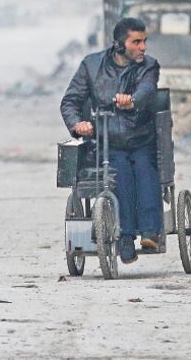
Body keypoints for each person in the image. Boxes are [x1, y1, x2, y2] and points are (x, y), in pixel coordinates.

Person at [60, 17, 162, 264]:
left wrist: (133, 100)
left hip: (140, 138)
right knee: (120, 176)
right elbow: (70, 102)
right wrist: (77, 124)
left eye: (144, 41)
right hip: (107, 142)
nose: (143, 47)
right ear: (119, 44)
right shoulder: (91, 66)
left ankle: (150, 232)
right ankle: (125, 238)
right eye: (136, 42)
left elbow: (147, 90)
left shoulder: (149, 66)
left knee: (145, 170)